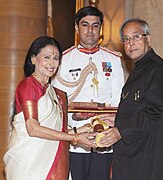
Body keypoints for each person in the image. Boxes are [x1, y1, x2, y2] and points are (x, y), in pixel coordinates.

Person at [98, 18, 163, 180]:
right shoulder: (139, 70)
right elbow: (139, 109)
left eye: (136, 37)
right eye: (126, 39)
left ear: (148, 39)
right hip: (136, 159)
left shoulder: (158, 70)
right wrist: (118, 119)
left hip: (150, 160)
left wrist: (120, 131)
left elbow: (155, 113)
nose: (131, 43)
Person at [3, 36, 97, 180]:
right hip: (30, 163)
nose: (51, 63)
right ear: (33, 59)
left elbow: (53, 131)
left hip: (51, 160)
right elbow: (33, 129)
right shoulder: (29, 85)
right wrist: (75, 137)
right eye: (47, 57)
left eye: (56, 58)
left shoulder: (54, 92)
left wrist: (80, 129)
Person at [52, 6, 124, 180]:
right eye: (85, 25)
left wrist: (112, 127)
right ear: (77, 28)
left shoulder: (113, 60)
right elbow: (57, 102)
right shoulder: (63, 60)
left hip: (104, 139)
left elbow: (119, 99)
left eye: (95, 25)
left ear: (101, 29)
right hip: (75, 140)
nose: (90, 30)